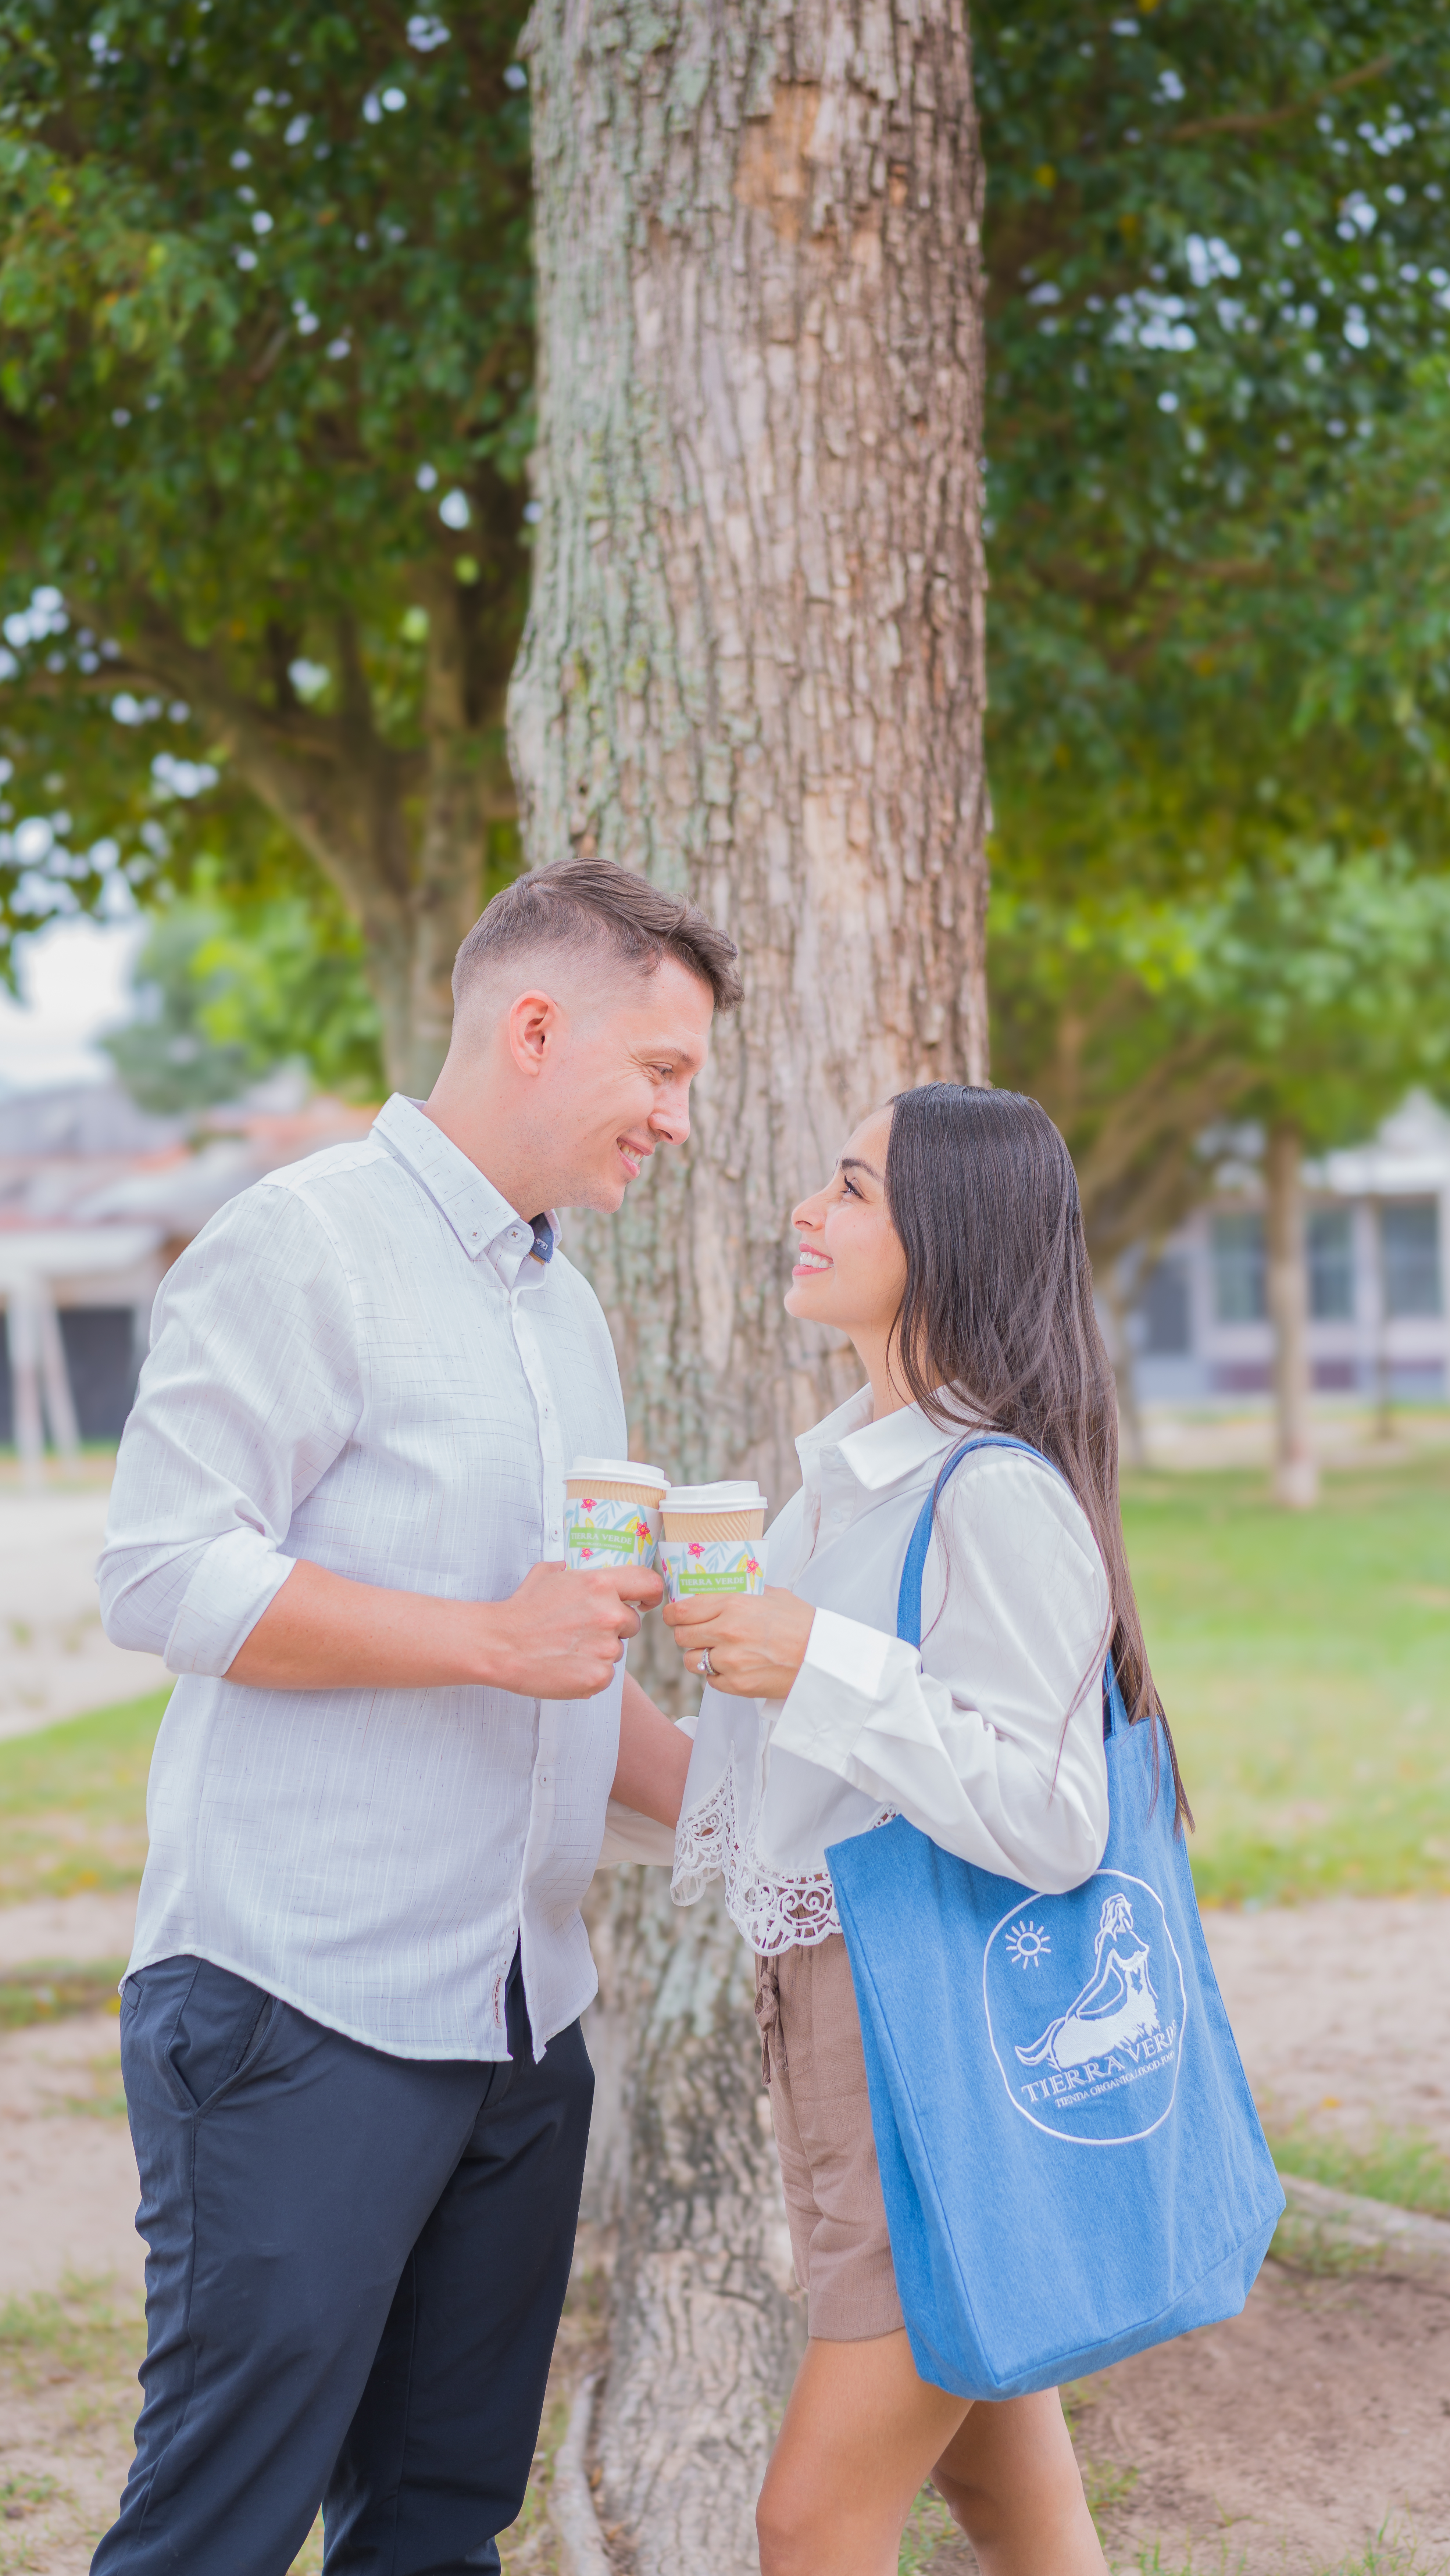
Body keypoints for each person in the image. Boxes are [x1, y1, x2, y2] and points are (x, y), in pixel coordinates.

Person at [92, 858, 741, 2576]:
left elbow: (564, 1682)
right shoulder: (299, 1246)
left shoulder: (568, 1308)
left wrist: (791, 1810)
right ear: (534, 1027)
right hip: (301, 2005)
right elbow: (161, 1576)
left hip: (524, 2030)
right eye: (659, 1072)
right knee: (217, 2530)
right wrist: (483, 1636)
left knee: (442, 2525)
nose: (676, 1122)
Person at [615, 1081, 1182, 2576]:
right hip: (843, 2015)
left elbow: (1056, 1821)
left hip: (923, 2041)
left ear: (953, 1237)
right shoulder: (835, 1494)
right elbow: (795, 1806)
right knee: (1011, 2495)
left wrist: (819, 1664)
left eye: (853, 1188)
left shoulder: (989, 1494)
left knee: (809, 2519)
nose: (807, 1208)